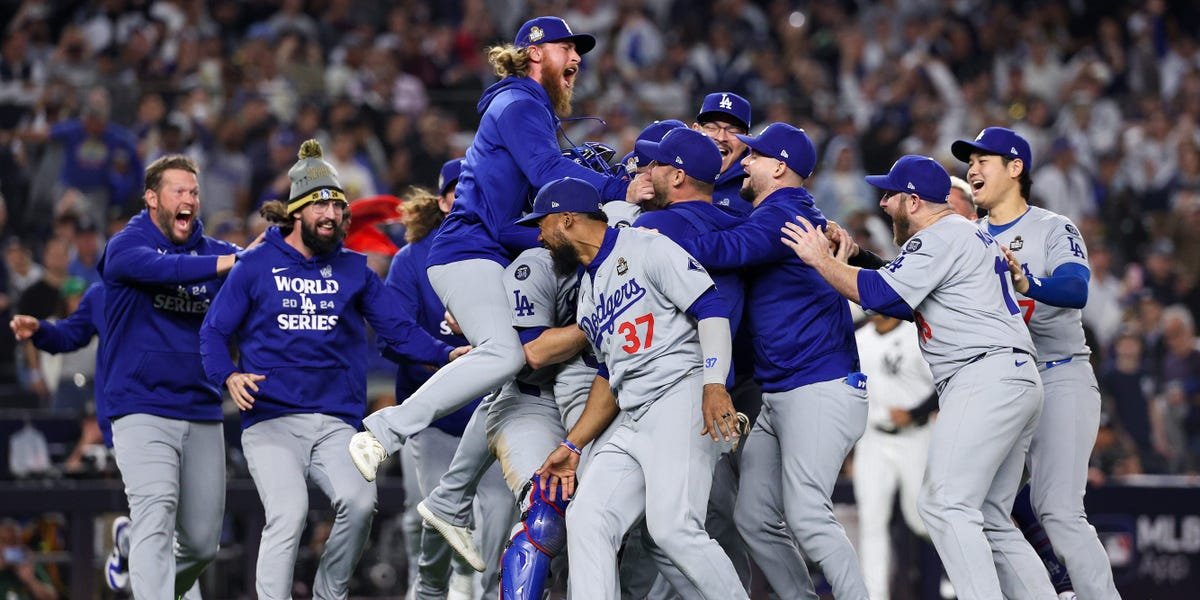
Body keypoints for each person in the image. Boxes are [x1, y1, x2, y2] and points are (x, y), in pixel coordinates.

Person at [350, 15, 629, 479]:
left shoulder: (528, 106)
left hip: (488, 253)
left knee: (507, 373)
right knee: (505, 355)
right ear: (535, 53)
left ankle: (450, 500)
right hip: (469, 250)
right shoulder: (519, 103)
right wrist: (619, 191)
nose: (576, 58)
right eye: (566, 48)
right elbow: (544, 176)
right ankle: (384, 430)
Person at [779, 154, 1057, 598]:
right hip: (1013, 375)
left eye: (889, 195)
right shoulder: (964, 234)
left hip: (983, 376)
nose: (882, 203)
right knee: (988, 516)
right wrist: (854, 256)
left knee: (943, 503)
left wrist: (821, 261)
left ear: (913, 201)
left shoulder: (939, 236)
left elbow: (882, 296)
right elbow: (901, 282)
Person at [198, 139, 467, 600]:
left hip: (335, 423)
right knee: (288, 513)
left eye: (337, 206)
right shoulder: (255, 265)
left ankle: (329, 594)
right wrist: (228, 375)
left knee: (360, 504)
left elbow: (400, 331)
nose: (330, 214)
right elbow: (213, 332)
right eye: (319, 205)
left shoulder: (355, 270)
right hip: (271, 419)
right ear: (296, 211)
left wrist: (446, 354)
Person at [525, 176, 746, 599]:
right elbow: (608, 375)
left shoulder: (646, 246)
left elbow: (711, 306)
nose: (539, 236)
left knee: (673, 529)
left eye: (542, 223)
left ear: (567, 219)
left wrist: (714, 384)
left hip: (679, 394)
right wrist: (573, 445)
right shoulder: (588, 293)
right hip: (633, 413)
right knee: (587, 518)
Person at [677, 122, 869, 599]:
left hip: (819, 387)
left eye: (755, 156)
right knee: (754, 517)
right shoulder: (784, 212)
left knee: (808, 516)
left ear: (779, 168)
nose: (744, 161)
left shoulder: (785, 213)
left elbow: (723, 249)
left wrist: (649, 235)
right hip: (784, 390)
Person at [954, 126, 1120, 599]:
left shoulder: (1052, 227)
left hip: (1060, 373)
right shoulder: (971, 237)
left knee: (1059, 511)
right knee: (983, 506)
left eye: (983, 160)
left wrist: (1029, 283)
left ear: (1015, 168)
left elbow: (1076, 289)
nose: (972, 168)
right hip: (1002, 384)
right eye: (970, 162)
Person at [97, 154, 239, 598]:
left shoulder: (217, 253)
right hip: (140, 405)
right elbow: (163, 270)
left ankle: (132, 550)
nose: (189, 199)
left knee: (201, 545)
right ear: (152, 198)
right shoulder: (125, 246)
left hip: (200, 406)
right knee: (156, 510)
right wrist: (231, 262)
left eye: (194, 192)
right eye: (178, 191)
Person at [628, 126, 752, 597]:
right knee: (699, 523)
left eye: (657, 165)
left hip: (665, 389)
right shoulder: (739, 223)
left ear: (678, 176)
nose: (648, 172)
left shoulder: (658, 226)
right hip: (717, 385)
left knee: (666, 530)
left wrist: (623, 206)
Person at [386, 160, 512, 599]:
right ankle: (428, 589)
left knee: (500, 511)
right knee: (433, 516)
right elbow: (396, 336)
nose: (467, 198)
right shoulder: (412, 259)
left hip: (492, 414)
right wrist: (447, 357)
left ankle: (487, 590)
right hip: (436, 420)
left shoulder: (506, 248)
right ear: (442, 202)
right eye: (457, 191)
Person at [852, 314, 936, 600]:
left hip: (915, 437)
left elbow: (942, 384)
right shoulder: (859, 339)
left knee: (922, 520)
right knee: (871, 521)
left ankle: (966, 574)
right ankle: (874, 596)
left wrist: (914, 412)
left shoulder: (916, 336)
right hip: (873, 438)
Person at [692, 92, 753, 217]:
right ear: (695, 130)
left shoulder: (756, 185)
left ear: (747, 141)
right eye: (711, 128)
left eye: (733, 131)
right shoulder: (673, 170)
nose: (721, 137)